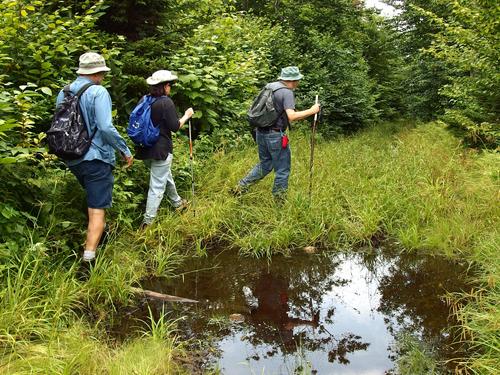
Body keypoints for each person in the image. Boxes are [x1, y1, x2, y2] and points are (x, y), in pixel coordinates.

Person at [56, 52, 133, 263]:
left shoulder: (64, 92)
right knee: (97, 209)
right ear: (98, 73)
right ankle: (88, 262)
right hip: (96, 157)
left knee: (93, 200)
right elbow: (106, 127)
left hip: (72, 157)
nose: (103, 77)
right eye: (103, 73)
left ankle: (99, 239)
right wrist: (124, 149)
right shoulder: (98, 92)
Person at [235, 66, 320, 200]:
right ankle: (279, 200)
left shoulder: (270, 86)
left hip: (260, 132)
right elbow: (292, 116)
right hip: (275, 136)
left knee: (265, 164)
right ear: (293, 80)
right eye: (298, 80)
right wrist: (312, 110)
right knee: (282, 170)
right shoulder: (287, 92)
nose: (298, 82)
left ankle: (240, 187)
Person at [134, 70, 194, 228]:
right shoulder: (166, 102)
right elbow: (175, 127)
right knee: (157, 187)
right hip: (161, 150)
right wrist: (187, 115)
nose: (170, 87)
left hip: (144, 149)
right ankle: (147, 223)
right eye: (169, 85)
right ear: (164, 86)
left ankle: (178, 203)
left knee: (164, 177)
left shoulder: (144, 99)